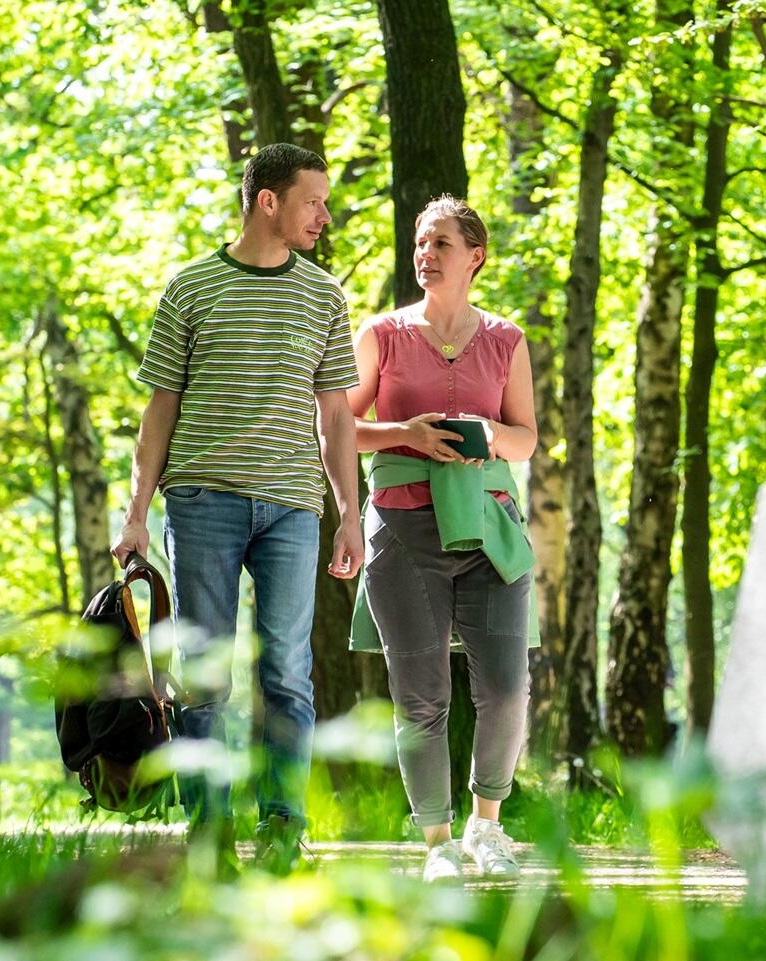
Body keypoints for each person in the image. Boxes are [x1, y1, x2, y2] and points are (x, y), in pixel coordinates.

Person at [112, 142, 362, 870]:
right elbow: (159, 411)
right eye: (313, 201)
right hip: (201, 503)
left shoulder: (324, 295)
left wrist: (348, 514)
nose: (324, 214)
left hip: (291, 508)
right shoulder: (191, 288)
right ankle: (210, 840)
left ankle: (285, 832)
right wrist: (135, 514)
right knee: (203, 672)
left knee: (287, 672)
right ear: (269, 202)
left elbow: (336, 418)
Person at [347, 196, 537, 883]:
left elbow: (526, 436)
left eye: (440, 244)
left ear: (475, 256)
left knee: (507, 687)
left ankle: (488, 827)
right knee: (420, 695)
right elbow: (340, 427)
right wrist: (408, 434)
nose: (424, 254)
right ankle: (437, 843)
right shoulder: (383, 334)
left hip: (490, 528)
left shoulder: (506, 340)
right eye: (420, 243)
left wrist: (485, 440)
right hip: (403, 527)